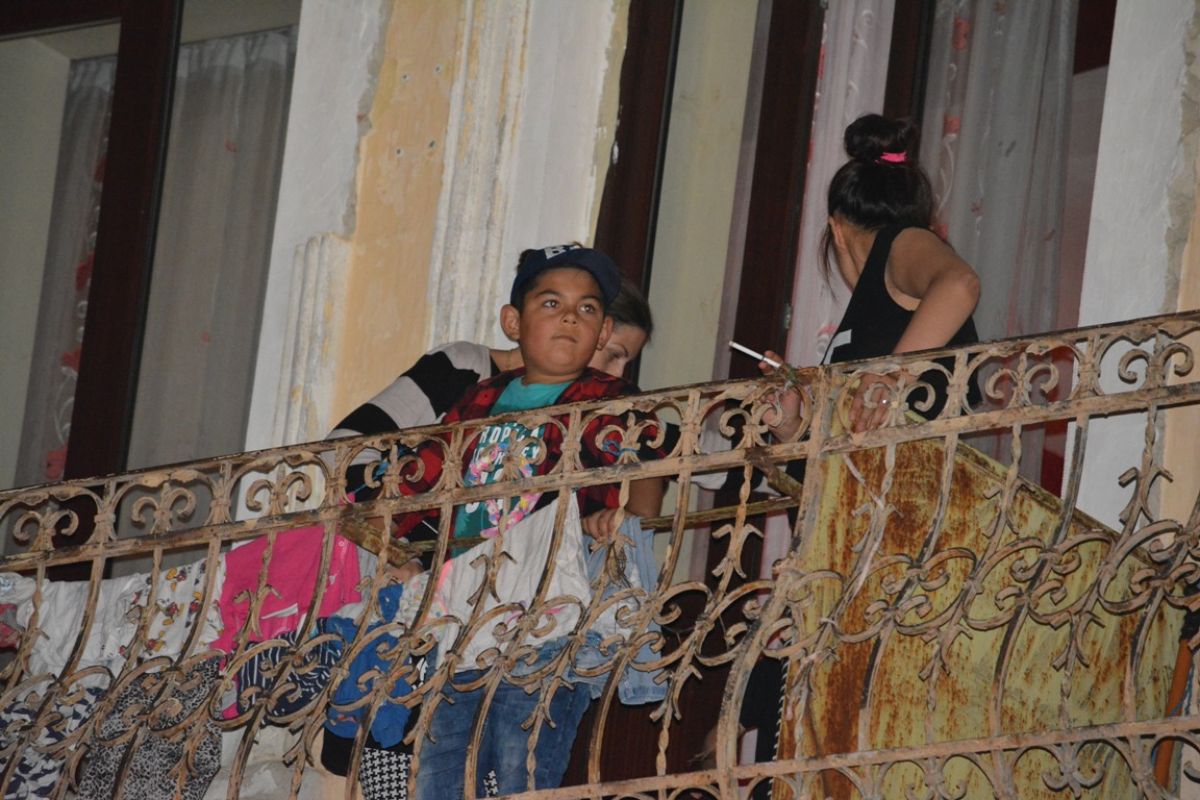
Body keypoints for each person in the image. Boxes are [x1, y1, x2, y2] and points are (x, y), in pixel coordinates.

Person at [741, 113, 981, 798]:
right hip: (855, 545)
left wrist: (890, 375)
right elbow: (831, 455)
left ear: (837, 230)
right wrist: (793, 418)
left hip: (907, 539)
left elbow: (960, 285)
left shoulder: (901, 244)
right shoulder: (860, 322)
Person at [387, 243, 671, 798]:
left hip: (549, 619)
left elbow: (645, 462)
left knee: (523, 764)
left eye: (587, 309)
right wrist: (410, 555)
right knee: (440, 764)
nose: (570, 318)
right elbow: (430, 483)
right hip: (465, 621)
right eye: (551, 303)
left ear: (602, 330)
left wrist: (618, 515)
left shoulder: (609, 399)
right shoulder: (478, 400)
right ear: (513, 323)